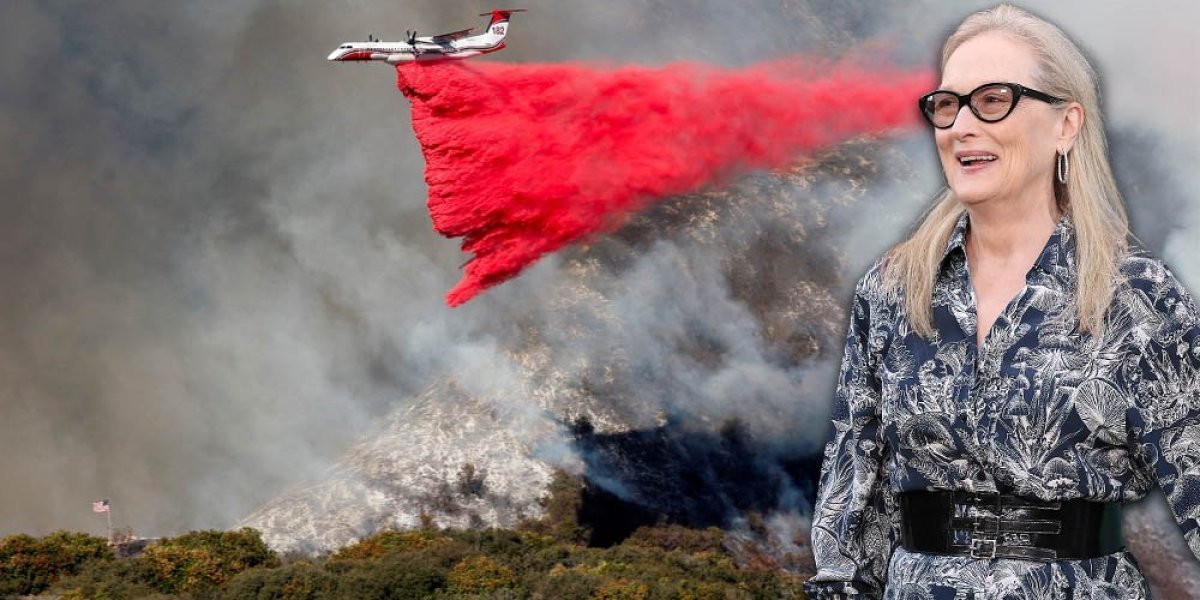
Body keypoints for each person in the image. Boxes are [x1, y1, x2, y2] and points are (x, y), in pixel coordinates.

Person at [803, 4, 1200, 599]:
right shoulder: (890, 290)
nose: (961, 125)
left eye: (993, 100)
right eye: (946, 105)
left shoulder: (1139, 300)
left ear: (1067, 124)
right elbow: (852, 506)